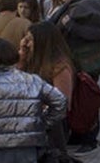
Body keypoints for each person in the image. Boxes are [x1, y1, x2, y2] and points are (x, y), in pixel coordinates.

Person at [18, 22, 75, 151]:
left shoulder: (59, 67)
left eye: (30, 40)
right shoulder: (32, 61)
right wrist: (21, 57)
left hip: (53, 127)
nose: (27, 43)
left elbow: (63, 102)